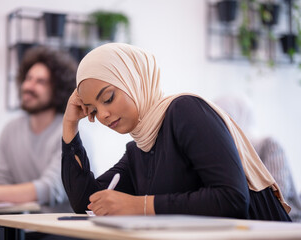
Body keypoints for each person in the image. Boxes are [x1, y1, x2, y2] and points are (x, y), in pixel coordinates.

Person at [61, 42, 291, 221]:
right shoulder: (139, 149)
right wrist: (70, 125)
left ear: (135, 81)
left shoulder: (185, 110)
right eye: (92, 110)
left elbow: (232, 198)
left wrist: (138, 206)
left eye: (108, 98)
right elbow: (86, 204)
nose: (102, 115)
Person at [0, 46, 78, 239]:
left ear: (58, 90)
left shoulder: (71, 132)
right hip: (24, 223)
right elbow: (1, 181)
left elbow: (51, 189)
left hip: (60, 228)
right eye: (28, 79)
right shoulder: (11, 130)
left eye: (40, 81)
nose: (29, 86)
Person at [213, 94, 301, 222]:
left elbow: (279, 192)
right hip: (251, 220)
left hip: (285, 221)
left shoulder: (267, 144)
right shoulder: (223, 151)